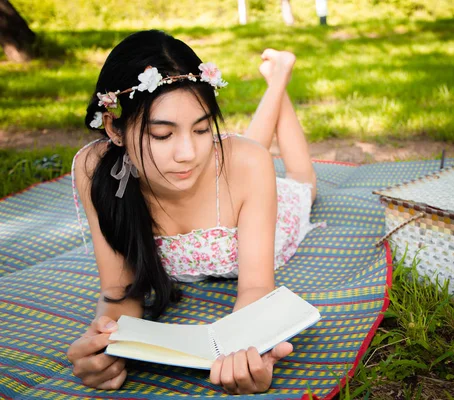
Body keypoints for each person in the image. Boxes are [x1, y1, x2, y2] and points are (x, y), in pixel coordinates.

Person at [66, 29, 324, 394]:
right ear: (114, 128)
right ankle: (277, 78)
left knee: (300, 179)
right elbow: (118, 289)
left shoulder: (246, 165)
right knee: (246, 155)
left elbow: (255, 287)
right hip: (232, 174)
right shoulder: (96, 170)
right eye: (162, 135)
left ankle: (279, 77)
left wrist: (244, 351)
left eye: (203, 129)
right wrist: (107, 343)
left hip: (267, 219)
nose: (187, 152)